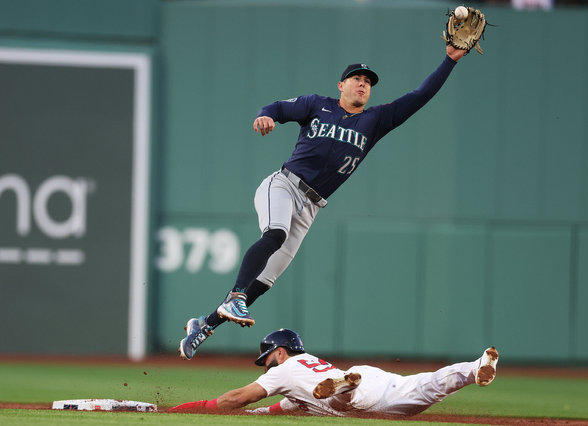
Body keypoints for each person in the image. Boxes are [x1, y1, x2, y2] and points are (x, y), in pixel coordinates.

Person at [178, 44, 467, 360]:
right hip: (284, 186)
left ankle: (204, 324)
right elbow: (276, 107)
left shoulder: (375, 120)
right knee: (275, 235)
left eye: (367, 81)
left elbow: (419, 96)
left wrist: (449, 60)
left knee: (264, 280)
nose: (362, 84)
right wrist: (265, 116)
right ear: (341, 85)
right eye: (356, 78)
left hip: (312, 205)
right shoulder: (317, 105)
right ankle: (234, 296)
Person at [170, 328, 499, 417]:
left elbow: (236, 399)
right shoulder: (306, 369)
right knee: (431, 385)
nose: (265, 363)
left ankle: (345, 387)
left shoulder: (284, 369)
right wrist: (260, 413)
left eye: (266, 357)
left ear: (279, 353)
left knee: (346, 402)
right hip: (379, 384)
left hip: (358, 394)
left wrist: (181, 412)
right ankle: (476, 367)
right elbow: (278, 408)